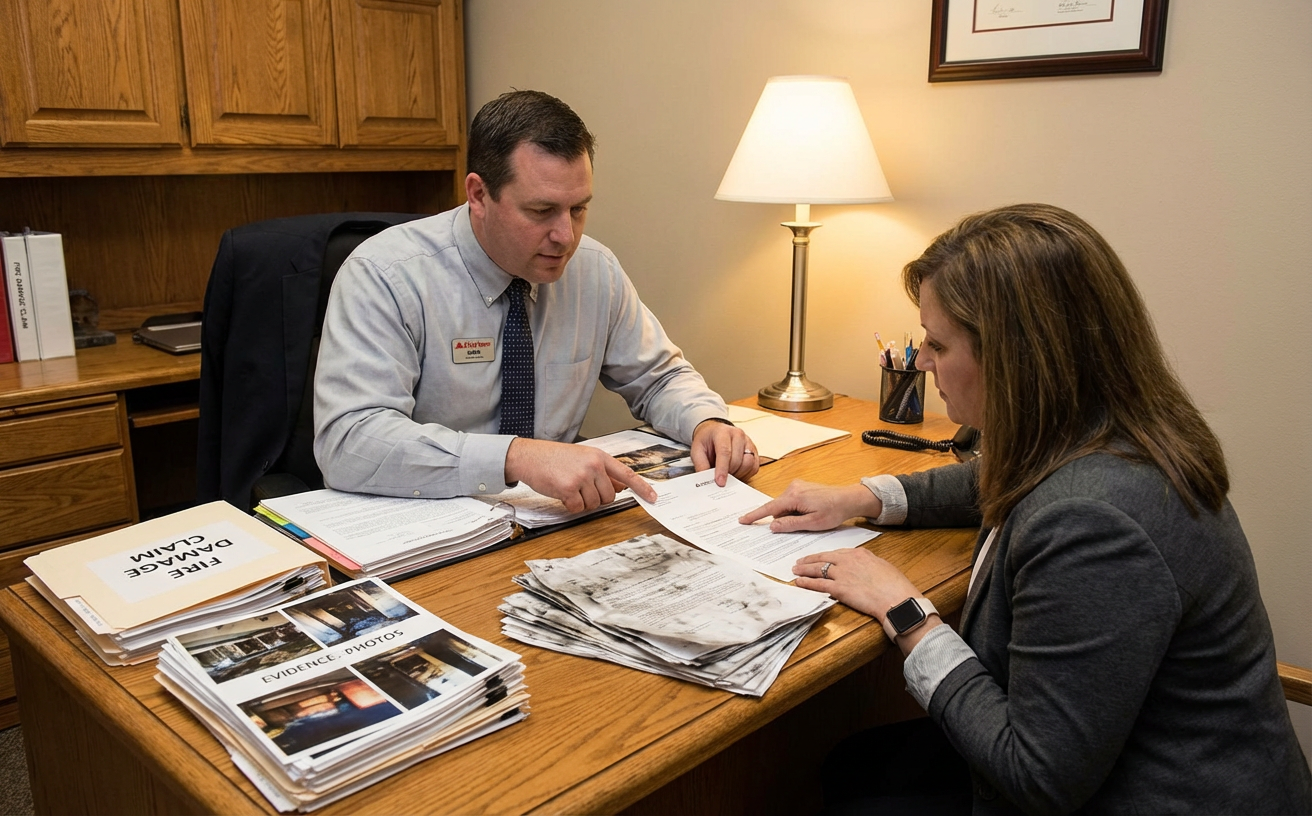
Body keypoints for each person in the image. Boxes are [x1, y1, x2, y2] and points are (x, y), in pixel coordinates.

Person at [740, 204, 1312, 815]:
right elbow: (999, 477)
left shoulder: (1096, 522)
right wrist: (861, 498)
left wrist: (905, 611)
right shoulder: (1110, 432)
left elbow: (1038, 779)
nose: (924, 362)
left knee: (852, 785)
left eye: (938, 343)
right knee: (854, 766)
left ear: (1015, 357)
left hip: (1151, 793)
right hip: (1118, 753)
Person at [313, 90, 757, 512]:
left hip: (553, 518)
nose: (566, 236)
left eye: (579, 209)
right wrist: (516, 457)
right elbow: (349, 442)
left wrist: (706, 421)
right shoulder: (387, 274)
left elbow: (658, 377)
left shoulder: (593, 270)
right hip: (427, 519)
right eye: (541, 211)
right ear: (479, 195)